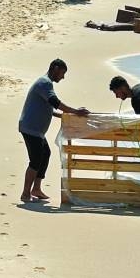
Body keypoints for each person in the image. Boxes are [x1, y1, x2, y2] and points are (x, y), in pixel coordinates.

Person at [18, 59, 89, 202]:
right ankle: (25, 193)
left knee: (45, 154)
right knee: (35, 160)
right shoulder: (45, 83)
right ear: (55, 69)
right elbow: (55, 103)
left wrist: (65, 116)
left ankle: (36, 189)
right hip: (31, 129)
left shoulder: (45, 83)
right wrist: (76, 112)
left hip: (36, 130)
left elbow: (47, 108)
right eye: (62, 73)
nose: (63, 77)